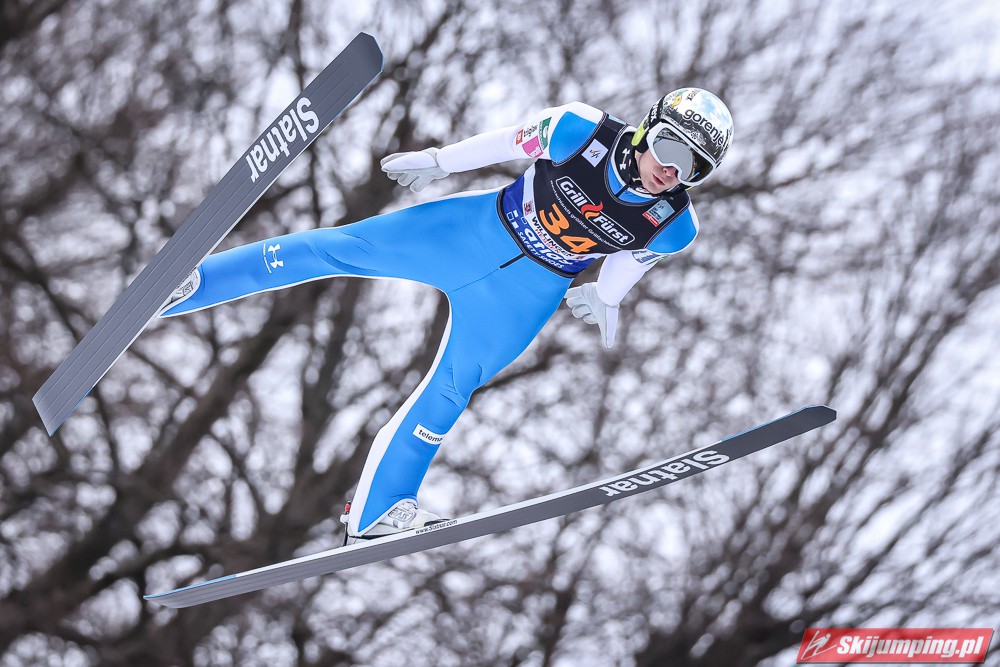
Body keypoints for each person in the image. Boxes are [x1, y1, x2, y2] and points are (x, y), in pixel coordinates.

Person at [160, 87, 735, 544]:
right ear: (648, 128)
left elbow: (634, 259)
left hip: (525, 294)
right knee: (339, 247)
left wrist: (606, 297)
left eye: (694, 167)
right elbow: (508, 143)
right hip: (469, 233)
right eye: (671, 148)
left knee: (455, 385)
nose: (673, 170)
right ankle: (195, 283)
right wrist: (440, 162)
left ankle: (381, 508)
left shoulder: (674, 224)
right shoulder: (580, 129)